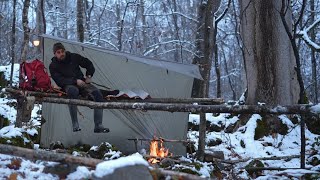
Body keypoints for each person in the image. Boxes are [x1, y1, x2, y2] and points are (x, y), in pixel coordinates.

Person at [49, 42, 109, 133]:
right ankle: (75, 124)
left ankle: (98, 125)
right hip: (68, 85)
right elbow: (59, 80)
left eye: (62, 51)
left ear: (65, 51)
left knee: (97, 94)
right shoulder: (53, 65)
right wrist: (75, 81)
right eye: (58, 52)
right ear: (55, 54)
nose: (61, 54)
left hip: (82, 83)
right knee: (72, 91)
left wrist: (89, 75)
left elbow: (88, 63)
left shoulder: (73, 57)